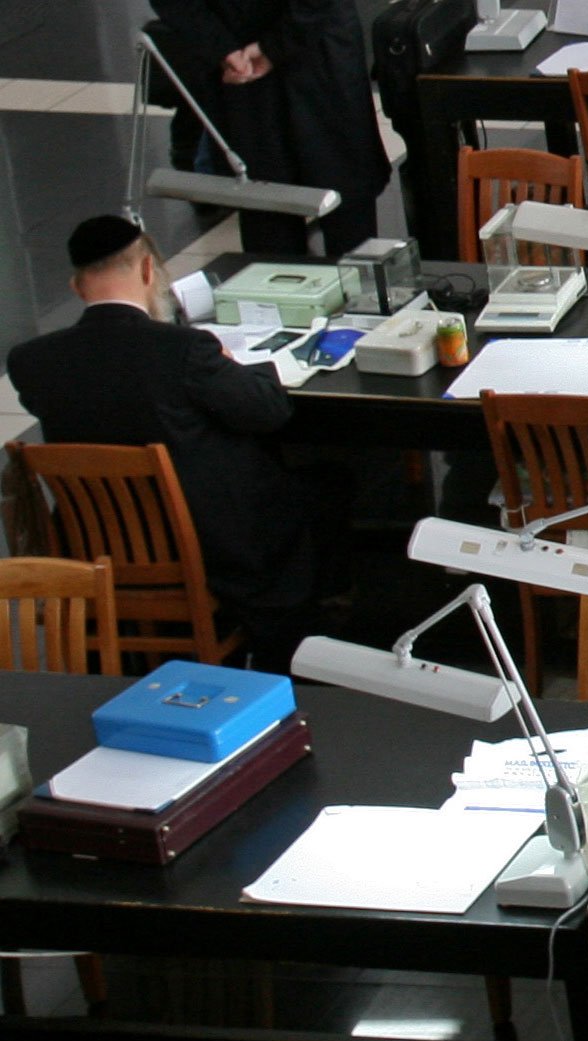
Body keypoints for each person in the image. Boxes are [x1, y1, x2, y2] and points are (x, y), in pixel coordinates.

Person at [7, 217, 318, 672]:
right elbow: (267, 411)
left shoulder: (30, 362)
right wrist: (240, 368)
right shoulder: (182, 350)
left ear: (77, 286)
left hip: (97, 547)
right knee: (303, 498)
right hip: (209, 547)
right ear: (149, 271)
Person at [149, 0, 390, 257]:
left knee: (309, 202)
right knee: (276, 205)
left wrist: (228, 48)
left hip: (266, 56)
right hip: (296, 53)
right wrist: (229, 47)